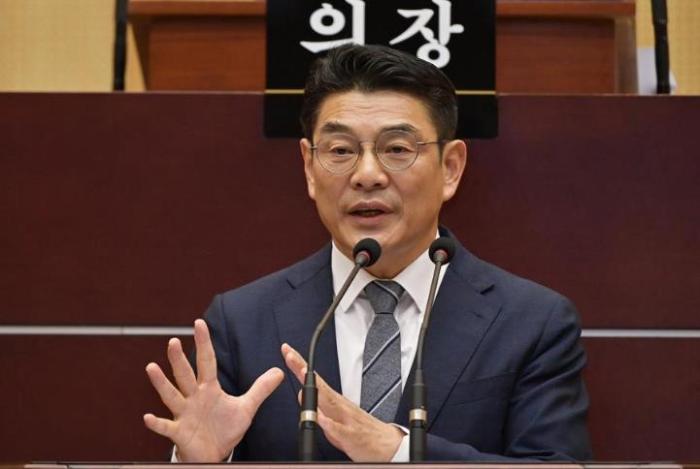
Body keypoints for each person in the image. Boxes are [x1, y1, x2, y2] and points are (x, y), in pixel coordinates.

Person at [143, 44, 592, 462]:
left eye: (396, 149)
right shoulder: (242, 323)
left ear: (451, 168)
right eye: (341, 150)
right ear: (309, 168)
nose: (367, 174)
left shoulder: (532, 323)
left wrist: (397, 453)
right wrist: (201, 463)